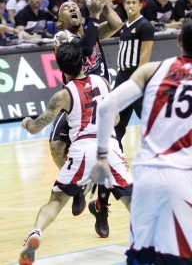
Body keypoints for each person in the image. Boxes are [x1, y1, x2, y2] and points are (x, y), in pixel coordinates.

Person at [82, 16, 192, 265]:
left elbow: (106, 108)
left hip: (147, 174)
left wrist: (101, 159)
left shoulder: (150, 70)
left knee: (141, 256)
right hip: (185, 177)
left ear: (178, 40)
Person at [19, 41, 133, 265]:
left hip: (82, 151)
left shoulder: (63, 95)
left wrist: (26, 123)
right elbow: (117, 118)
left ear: (61, 69)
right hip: (109, 147)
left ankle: (36, 233)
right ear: (83, 61)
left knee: (56, 201)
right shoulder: (103, 82)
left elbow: (36, 127)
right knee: (132, 199)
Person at [50, 0, 124, 238]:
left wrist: (103, 4)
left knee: (106, 162)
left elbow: (116, 24)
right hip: (75, 102)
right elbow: (81, 50)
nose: (73, 9)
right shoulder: (62, 36)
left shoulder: (93, 30)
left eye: (75, 6)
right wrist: (92, 17)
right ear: (61, 21)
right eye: (66, 9)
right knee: (56, 145)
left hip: (102, 102)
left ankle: (101, 210)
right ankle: (78, 187)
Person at [114, 0, 154, 151]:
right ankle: (116, 156)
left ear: (140, 5)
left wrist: (137, 81)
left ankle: (158, 152)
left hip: (134, 77)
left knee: (146, 119)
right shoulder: (125, 26)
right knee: (117, 120)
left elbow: (145, 55)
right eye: (127, 2)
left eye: (133, 2)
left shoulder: (145, 25)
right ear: (123, 5)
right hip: (121, 76)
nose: (130, 5)